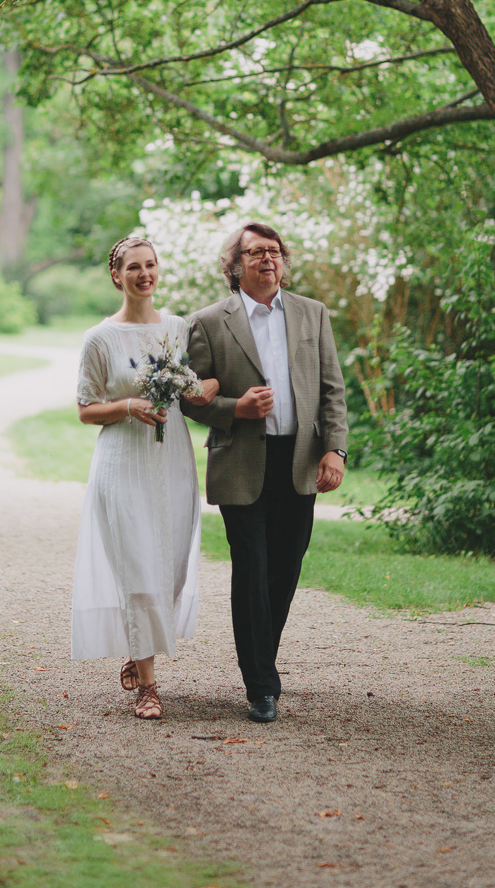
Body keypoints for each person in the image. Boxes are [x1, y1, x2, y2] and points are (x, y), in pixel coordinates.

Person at [181, 222, 348, 723]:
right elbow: (191, 401)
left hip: (298, 462)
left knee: (285, 568)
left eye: (274, 251)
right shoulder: (209, 321)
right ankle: (261, 686)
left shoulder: (312, 314)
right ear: (236, 265)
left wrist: (335, 450)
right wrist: (237, 408)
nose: (267, 260)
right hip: (241, 463)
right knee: (251, 569)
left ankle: (261, 662)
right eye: (255, 252)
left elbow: (333, 389)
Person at [70, 236, 217, 719]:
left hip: (171, 458)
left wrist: (196, 388)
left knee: (169, 564)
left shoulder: (177, 328)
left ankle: (140, 649)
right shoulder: (100, 338)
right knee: (137, 564)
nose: (144, 274)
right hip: (122, 460)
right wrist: (130, 405)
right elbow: (87, 410)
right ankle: (150, 688)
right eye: (134, 267)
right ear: (117, 276)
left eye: (151, 265)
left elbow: (195, 387)